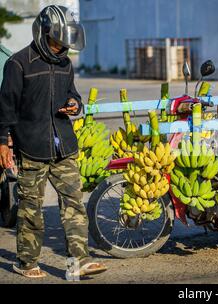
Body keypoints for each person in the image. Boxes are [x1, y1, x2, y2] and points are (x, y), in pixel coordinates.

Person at [0, 5, 107, 279]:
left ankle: (77, 265)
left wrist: (74, 104)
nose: (62, 47)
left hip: (64, 147)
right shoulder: (18, 64)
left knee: (74, 204)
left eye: (65, 42)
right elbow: (6, 108)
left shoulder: (65, 63)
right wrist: (3, 142)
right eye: (57, 41)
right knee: (30, 210)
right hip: (31, 148)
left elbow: (73, 94)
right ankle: (26, 263)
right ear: (43, 33)